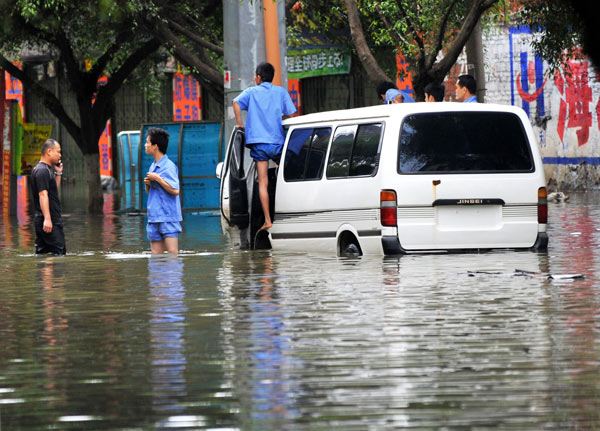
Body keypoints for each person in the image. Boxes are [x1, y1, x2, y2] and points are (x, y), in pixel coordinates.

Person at [233, 62, 297, 231]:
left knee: (263, 182)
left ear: (259, 77)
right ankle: (288, 213)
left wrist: (241, 124)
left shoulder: (252, 92)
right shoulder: (280, 92)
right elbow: (291, 114)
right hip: (277, 142)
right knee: (285, 176)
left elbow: (236, 103)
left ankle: (268, 219)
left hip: (259, 144)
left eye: (255, 76)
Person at [144, 127, 182, 254]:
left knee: (172, 253)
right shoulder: (153, 165)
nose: (145, 145)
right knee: (156, 255)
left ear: (155, 146)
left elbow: (175, 190)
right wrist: (148, 185)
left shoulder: (169, 166)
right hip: (154, 216)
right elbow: (153, 194)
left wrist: (158, 179)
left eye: (147, 143)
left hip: (168, 216)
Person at [30, 139, 66, 255]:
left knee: (42, 255)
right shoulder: (42, 171)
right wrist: (48, 219)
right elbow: (43, 195)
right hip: (49, 221)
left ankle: (43, 273)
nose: (60, 155)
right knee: (59, 255)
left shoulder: (45, 170)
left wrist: (58, 173)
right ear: (49, 151)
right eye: (58, 152)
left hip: (44, 220)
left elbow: (52, 191)